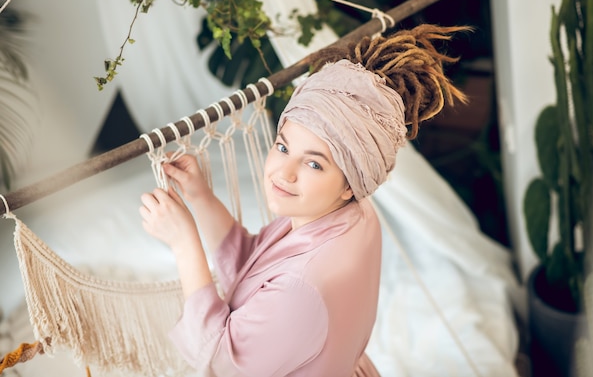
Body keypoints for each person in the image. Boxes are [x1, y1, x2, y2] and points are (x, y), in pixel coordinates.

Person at [139, 24, 468, 377]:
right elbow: (255, 266)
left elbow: (223, 357)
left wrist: (184, 244)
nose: (285, 172)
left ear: (349, 183)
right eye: (283, 146)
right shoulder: (344, 213)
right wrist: (200, 197)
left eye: (314, 163)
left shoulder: (301, 288)